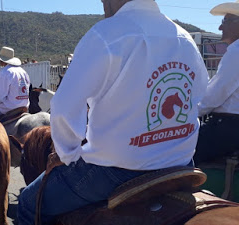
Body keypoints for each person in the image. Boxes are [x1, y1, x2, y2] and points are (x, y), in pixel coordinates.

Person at [17, 0, 209, 224]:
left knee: (29, 203)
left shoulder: (107, 33)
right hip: (180, 165)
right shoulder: (185, 39)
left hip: (117, 171)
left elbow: (64, 105)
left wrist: (67, 154)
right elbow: (199, 93)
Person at [194, 1, 239, 164]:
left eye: (225, 22)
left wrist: (189, 113)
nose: (220, 28)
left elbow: (215, 95)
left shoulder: (236, 52)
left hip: (228, 127)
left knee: (180, 153)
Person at [0, 46, 30, 118]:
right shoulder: (23, 71)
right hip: (24, 106)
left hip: (9, 108)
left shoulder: (5, 72)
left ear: (2, 60)